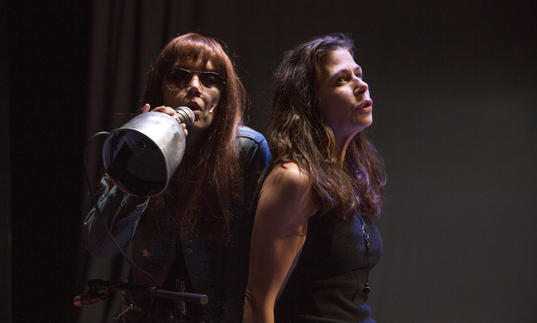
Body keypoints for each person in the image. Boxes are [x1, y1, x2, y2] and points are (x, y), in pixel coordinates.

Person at [84, 33, 271, 322]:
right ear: (160, 88)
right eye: (179, 76)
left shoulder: (247, 150)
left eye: (209, 80)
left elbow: (255, 261)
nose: (194, 87)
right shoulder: (135, 146)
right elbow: (100, 244)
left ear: (224, 96)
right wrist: (140, 159)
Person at [242, 34, 386, 323]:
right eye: (341, 79)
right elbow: (258, 302)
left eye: (358, 74)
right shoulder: (295, 179)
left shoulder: (352, 175)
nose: (362, 85)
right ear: (311, 101)